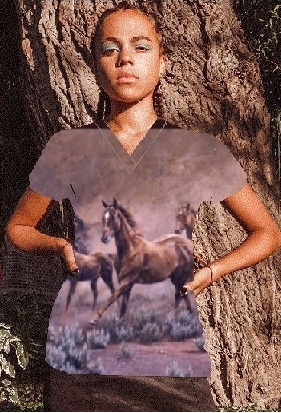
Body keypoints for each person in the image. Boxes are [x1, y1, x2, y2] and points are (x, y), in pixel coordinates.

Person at [4, 2, 281, 411]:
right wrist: (60, 246)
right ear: (97, 67)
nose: (125, 59)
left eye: (141, 47)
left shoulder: (198, 151)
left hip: (173, 355)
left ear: (163, 61)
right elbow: (18, 228)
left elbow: (268, 233)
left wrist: (211, 271)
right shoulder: (70, 149)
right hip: (83, 357)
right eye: (110, 48)